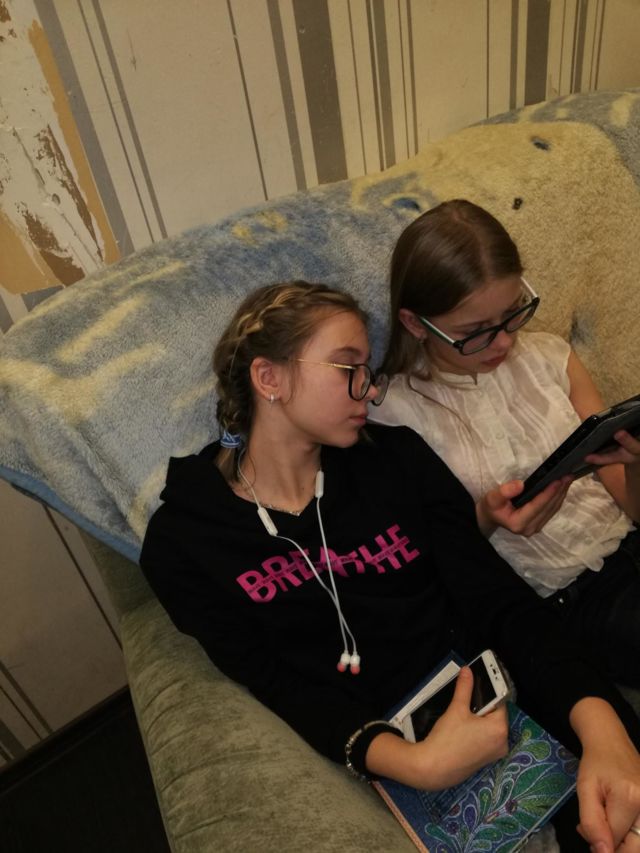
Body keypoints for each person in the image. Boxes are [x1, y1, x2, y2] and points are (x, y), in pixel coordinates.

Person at [140, 281, 640, 851]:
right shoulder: (185, 544)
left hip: (511, 700)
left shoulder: (396, 460)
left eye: (369, 371)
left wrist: (599, 724)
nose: (370, 390)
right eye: (348, 368)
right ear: (269, 378)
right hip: (399, 760)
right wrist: (412, 763)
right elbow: (277, 684)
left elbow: (499, 602)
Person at [371, 199, 640, 689]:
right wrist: (485, 520)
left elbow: (630, 502)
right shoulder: (391, 413)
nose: (503, 343)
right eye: (475, 332)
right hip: (568, 599)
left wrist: (635, 462)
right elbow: (416, 565)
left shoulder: (550, 356)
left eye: (513, 312)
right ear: (414, 324)